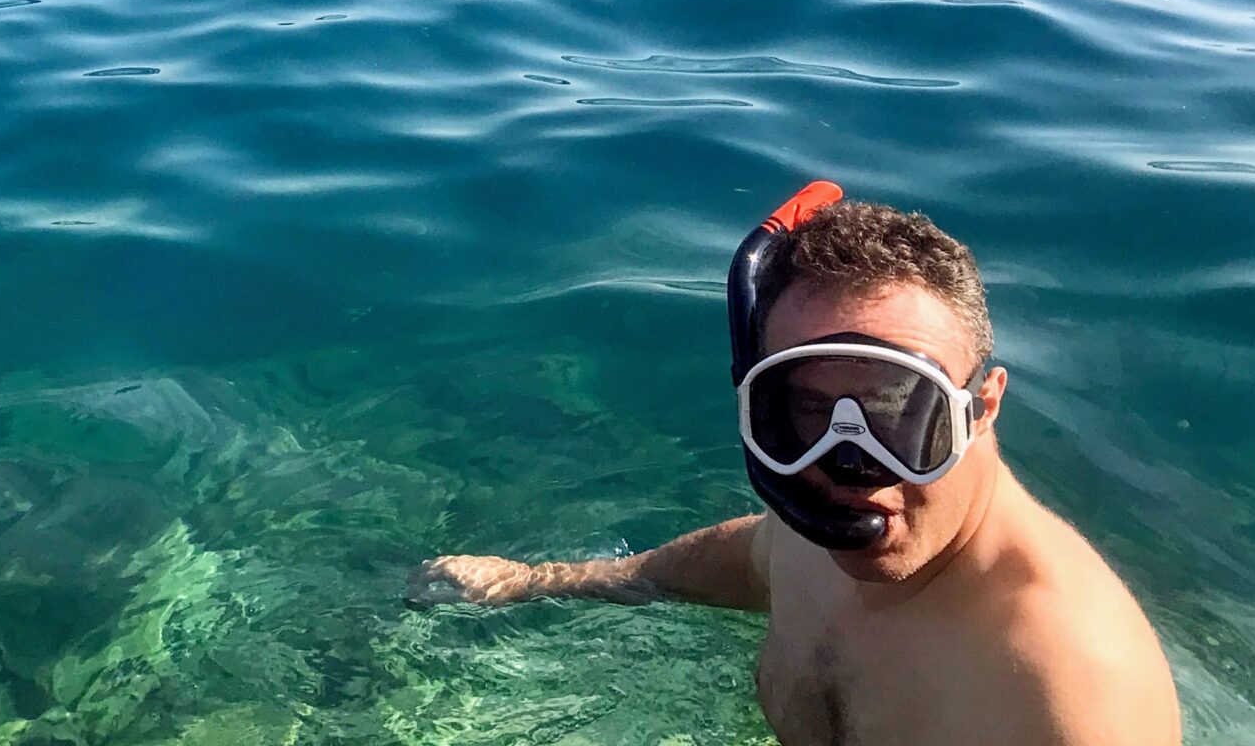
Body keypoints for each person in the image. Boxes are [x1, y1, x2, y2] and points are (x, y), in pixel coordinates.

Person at [406, 186, 1181, 745]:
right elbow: (752, 558)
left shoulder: (1066, 696)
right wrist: (547, 581)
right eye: (805, 410)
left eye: (897, 410)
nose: (851, 467)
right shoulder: (822, 519)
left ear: (983, 406)